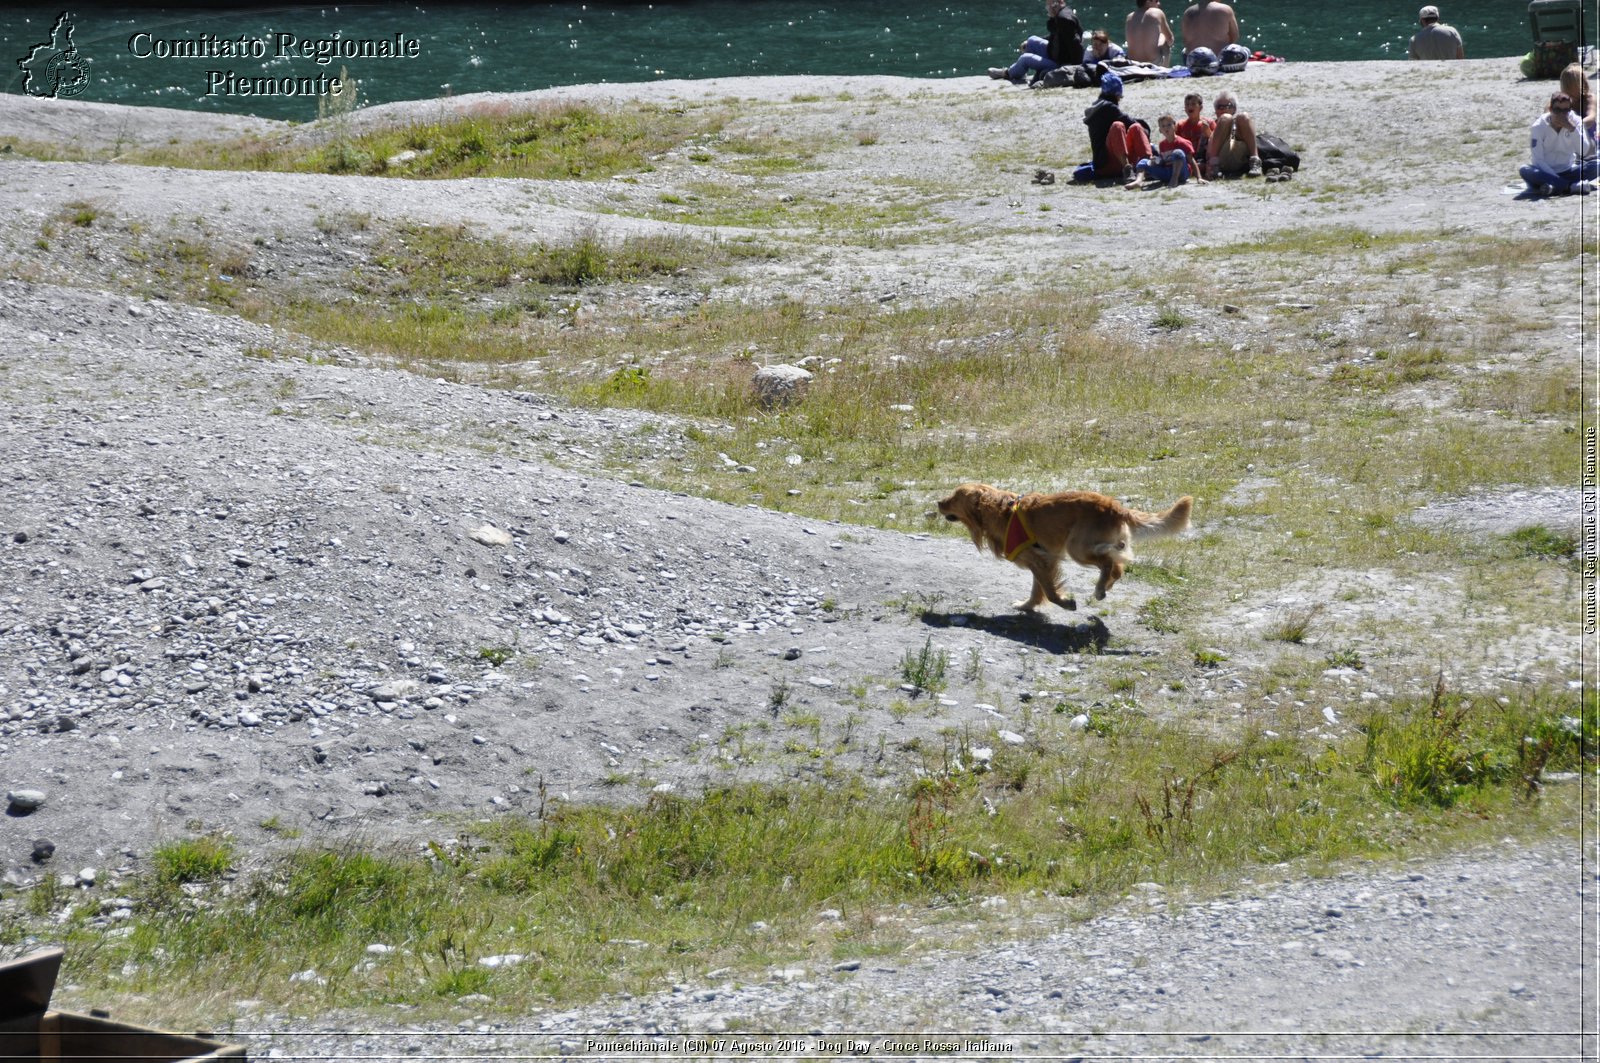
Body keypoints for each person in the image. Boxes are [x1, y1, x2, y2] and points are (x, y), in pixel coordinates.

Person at [1072, 72, 1152, 183]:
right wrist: (1146, 131)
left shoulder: (1099, 107)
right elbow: (1128, 121)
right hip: (1106, 166)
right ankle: (1131, 168)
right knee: (1120, 126)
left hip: (1106, 163)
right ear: (1117, 94)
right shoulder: (1108, 108)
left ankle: (1147, 166)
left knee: (1135, 126)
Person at [1520, 92, 1597, 196]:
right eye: (1557, 110)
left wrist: (1572, 129)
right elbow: (1538, 160)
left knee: (1597, 165)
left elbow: (1584, 151)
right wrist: (1554, 178)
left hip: (1568, 170)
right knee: (1525, 170)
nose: (1561, 115)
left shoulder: (1576, 122)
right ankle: (1569, 187)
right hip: (1545, 172)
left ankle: (1553, 187)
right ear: (1550, 109)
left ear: (1570, 110)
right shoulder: (1538, 126)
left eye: (1565, 111)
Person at [990, 0, 1085, 83]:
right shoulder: (1064, 13)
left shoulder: (1063, 19)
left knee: (1025, 58)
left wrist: (1074, 68)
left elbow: (1076, 44)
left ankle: (1007, 73)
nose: (1047, 8)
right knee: (1031, 41)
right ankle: (1019, 72)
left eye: (1049, 5)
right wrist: (1052, 18)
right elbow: (1056, 37)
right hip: (1055, 54)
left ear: (1057, 4)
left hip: (1060, 63)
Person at [1126, 113, 1206, 188]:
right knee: (1143, 162)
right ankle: (1138, 181)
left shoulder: (1183, 142)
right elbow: (1164, 161)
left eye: (1169, 125)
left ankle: (1174, 180)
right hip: (1167, 172)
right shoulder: (1162, 144)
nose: (1166, 128)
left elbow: (1191, 161)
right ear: (1160, 130)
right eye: (1163, 126)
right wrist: (1156, 161)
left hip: (1182, 172)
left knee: (1177, 153)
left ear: (1174, 126)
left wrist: (1199, 178)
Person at [1205, 88, 1260, 178]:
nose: (1224, 109)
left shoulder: (1242, 124)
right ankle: (1213, 165)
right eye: (1220, 106)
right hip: (1220, 156)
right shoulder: (1210, 124)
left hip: (1240, 154)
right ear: (1215, 110)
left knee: (1243, 116)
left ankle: (1255, 160)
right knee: (1226, 118)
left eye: (1229, 106)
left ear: (1234, 108)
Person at [1125, 0, 1174, 65]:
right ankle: (1164, 71)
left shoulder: (1129, 16)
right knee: (1164, 37)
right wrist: (1161, 38)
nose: (1159, 3)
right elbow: (1170, 40)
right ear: (1148, 1)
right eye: (1156, 1)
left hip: (1132, 63)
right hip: (1153, 63)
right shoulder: (1158, 12)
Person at [1174, 91, 1214, 171]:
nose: (1190, 106)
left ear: (1200, 108)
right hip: (1187, 157)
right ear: (1185, 108)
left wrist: (1208, 133)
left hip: (1203, 157)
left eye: (1193, 104)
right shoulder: (1180, 125)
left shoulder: (1208, 123)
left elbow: (1217, 142)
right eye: (1187, 104)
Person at [1559, 63, 1596, 134]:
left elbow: (1591, 118)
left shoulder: (1589, 99)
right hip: (1570, 138)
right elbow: (1548, 114)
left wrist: (1573, 127)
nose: (1567, 89)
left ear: (1582, 84)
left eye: (1569, 85)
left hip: (1589, 136)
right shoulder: (1562, 101)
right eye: (1565, 86)